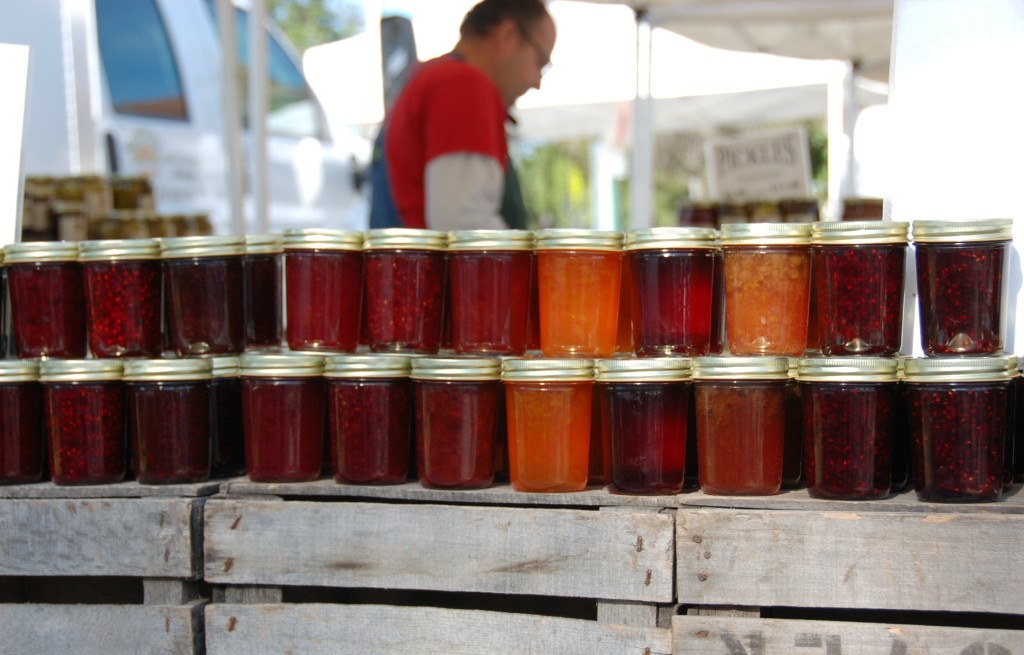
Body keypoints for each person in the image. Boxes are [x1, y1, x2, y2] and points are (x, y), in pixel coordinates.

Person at [369, 0, 556, 231]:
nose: (537, 82)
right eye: (541, 62)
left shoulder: (426, 77)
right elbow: (465, 225)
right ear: (508, 35)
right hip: (432, 267)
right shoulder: (464, 85)